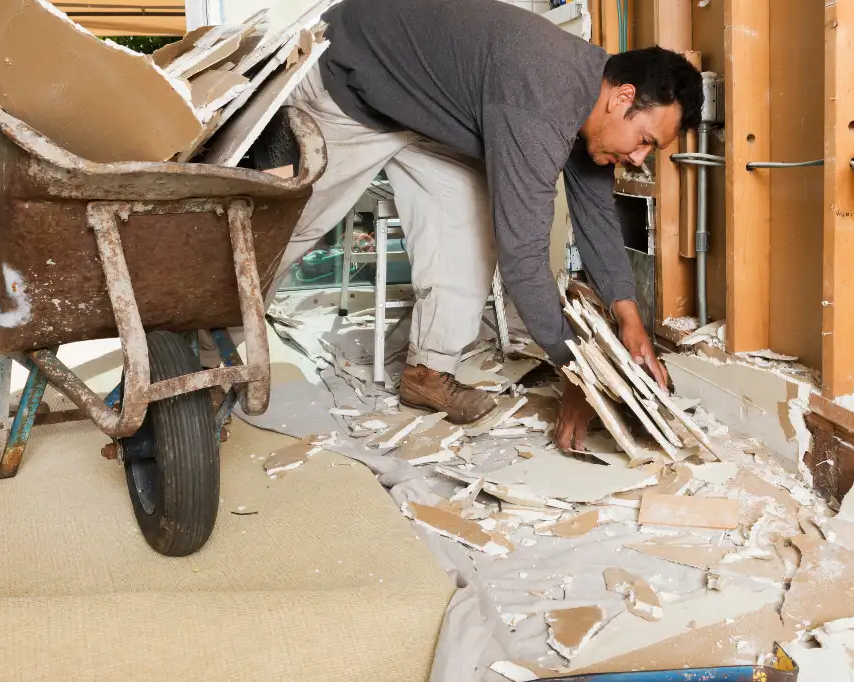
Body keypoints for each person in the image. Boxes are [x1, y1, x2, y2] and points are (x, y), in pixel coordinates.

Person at [280, 0, 702, 451]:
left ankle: (427, 373)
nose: (638, 159)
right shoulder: (541, 105)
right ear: (622, 99)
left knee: (466, 230)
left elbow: (596, 216)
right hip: (349, 80)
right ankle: (211, 355)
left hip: (426, 112)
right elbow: (523, 257)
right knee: (289, 228)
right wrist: (578, 370)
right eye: (644, 142)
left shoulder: (592, 100)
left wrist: (628, 314)